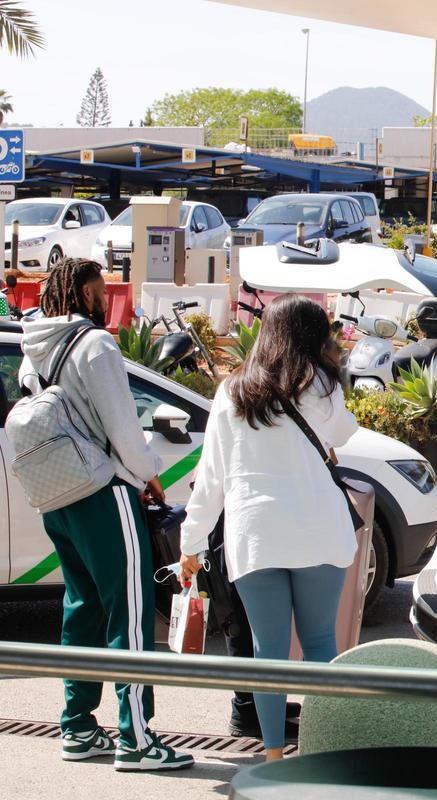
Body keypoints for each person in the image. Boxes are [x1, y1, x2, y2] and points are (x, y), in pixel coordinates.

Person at [19, 259, 193, 771]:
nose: (106, 301)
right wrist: (148, 474)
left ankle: (77, 727)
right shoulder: (95, 345)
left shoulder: (35, 347)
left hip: (58, 496)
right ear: (86, 294)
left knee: (83, 607)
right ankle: (136, 739)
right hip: (103, 491)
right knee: (131, 613)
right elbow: (122, 425)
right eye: (100, 291)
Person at [178, 293, 358, 761]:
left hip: (255, 532)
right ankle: (323, 752)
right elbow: (343, 434)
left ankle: (274, 757)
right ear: (313, 336)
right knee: (320, 642)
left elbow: (212, 477)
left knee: (268, 649)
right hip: (317, 527)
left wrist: (191, 545)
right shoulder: (323, 385)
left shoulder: (233, 391)